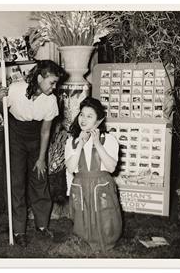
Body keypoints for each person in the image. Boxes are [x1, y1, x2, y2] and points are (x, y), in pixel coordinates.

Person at [0, 60, 66, 247]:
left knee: (40, 178)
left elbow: (45, 132)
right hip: (15, 137)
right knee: (16, 182)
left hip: (36, 139)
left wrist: (42, 158)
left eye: (56, 83)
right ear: (39, 77)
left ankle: (42, 226)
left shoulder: (51, 100)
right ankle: (19, 231)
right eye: (51, 82)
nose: (54, 87)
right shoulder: (16, 89)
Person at [65, 97, 122, 252]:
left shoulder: (108, 139)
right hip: (81, 185)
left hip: (101, 186)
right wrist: (81, 144)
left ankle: (106, 240)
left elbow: (111, 167)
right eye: (82, 114)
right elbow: (70, 167)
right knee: (81, 216)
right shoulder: (72, 141)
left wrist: (97, 143)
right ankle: (83, 240)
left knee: (105, 217)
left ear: (99, 120)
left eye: (89, 116)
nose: (83, 119)